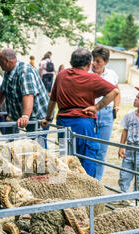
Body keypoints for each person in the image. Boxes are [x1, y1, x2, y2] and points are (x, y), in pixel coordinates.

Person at [41, 48, 119, 178]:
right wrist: (96, 107)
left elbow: (52, 100)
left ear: (71, 62)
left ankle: (65, 192)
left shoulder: (61, 75)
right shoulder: (91, 78)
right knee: (86, 161)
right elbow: (115, 92)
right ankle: (86, 194)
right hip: (83, 124)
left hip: (63, 124)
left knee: (65, 160)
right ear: (89, 64)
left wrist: (48, 118)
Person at [0, 48, 50, 148]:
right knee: (15, 144)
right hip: (20, 114)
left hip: (37, 115)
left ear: (6, 61)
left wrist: (25, 116)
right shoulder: (8, 72)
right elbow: (2, 91)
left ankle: (42, 162)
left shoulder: (25, 71)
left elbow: (28, 95)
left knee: (36, 146)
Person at [91, 46, 120, 181]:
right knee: (90, 149)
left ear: (106, 62)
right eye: (93, 60)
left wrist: (116, 106)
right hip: (90, 112)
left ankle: (97, 182)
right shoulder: (87, 73)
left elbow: (117, 91)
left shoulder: (112, 74)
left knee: (102, 151)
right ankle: (88, 180)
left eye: (98, 61)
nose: (94, 64)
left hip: (106, 113)